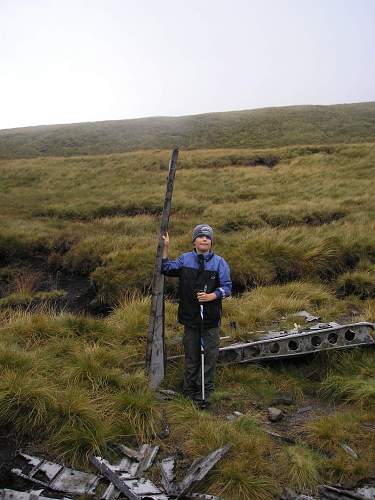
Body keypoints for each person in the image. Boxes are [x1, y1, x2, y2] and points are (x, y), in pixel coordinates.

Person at [161, 224, 232, 404]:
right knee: (191, 355)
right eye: (200, 236)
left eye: (208, 237)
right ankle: (189, 389)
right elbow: (167, 268)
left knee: (210, 355)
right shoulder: (185, 259)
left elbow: (227, 288)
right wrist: (166, 247)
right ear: (194, 241)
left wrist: (211, 296)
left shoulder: (219, 262)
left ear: (211, 242)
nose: (204, 239)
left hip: (210, 319)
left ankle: (205, 391)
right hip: (190, 318)